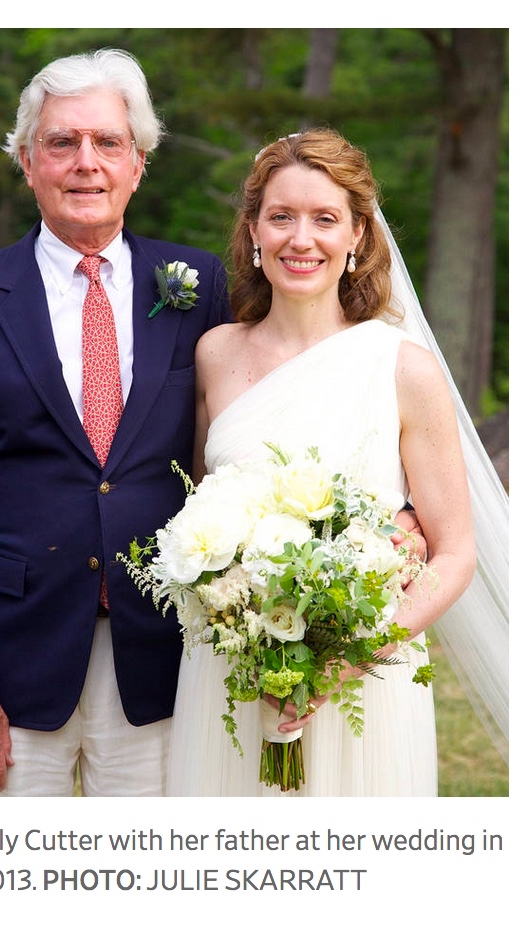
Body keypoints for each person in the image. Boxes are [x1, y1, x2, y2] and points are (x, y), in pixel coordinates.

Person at [0, 48, 232, 796]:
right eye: (62, 142)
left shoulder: (197, 285)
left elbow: (239, 441)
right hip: (12, 661)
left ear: (138, 164)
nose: (86, 162)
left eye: (108, 142)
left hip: (162, 652)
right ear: (28, 162)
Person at [166, 128, 508, 796]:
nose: (302, 239)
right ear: (253, 230)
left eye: (325, 219)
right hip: (231, 680)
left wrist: (344, 659)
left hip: (363, 686)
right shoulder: (214, 354)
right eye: (281, 217)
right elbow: (200, 512)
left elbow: (454, 554)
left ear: (357, 235)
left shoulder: (402, 367)